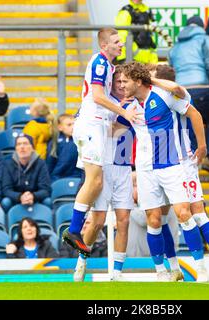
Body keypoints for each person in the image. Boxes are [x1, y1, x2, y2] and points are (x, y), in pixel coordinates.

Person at [115, 62, 209, 282]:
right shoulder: (131, 107)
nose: (121, 85)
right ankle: (162, 271)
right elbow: (115, 131)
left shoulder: (163, 95)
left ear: (138, 81)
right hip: (146, 169)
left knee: (184, 213)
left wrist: (202, 146)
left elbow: (187, 104)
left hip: (171, 162)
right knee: (154, 220)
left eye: (125, 81)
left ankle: (201, 269)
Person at [153, 64, 209, 282]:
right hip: (161, 164)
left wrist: (203, 146)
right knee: (160, 216)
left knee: (196, 212)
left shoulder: (173, 93)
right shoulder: (152, 98)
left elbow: (192, 110)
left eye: (151, 76)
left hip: (182, 162)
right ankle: (177, 267)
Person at [62, 28, 139, 255]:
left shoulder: (109, 66)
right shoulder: (100, 63)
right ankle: (74, 229)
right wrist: (124, 112)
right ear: (104, 45)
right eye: (116, 41)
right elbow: (96, 96)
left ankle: (76, 230)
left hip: (94, 126)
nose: (121, 44)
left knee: (96, 182)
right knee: (94, 181)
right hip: (91, 126)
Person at [73, 65, 135, 282]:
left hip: (124, 165)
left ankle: (117, 272)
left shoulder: (133, 103)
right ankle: (82, 260)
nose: (120, 85)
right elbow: (109, 128)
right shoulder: (101, 103)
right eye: (117, 81)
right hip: (103, 166)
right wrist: (120, 119)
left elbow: (126, 129)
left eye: (124, 81)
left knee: (124, 220)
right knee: (97, 220)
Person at [168, 15, 209, 176]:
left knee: (189, 124)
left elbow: (172, 71)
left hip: (181, 90)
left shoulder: (176, 46)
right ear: (201, 26)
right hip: (202, 86)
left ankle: (191, 163)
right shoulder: (205, 39)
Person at [126, 171, 179, 258]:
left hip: (159, 255)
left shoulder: (160, 200)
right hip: (139, 256)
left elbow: (144, 220)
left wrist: (129, 206)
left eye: (133, 186)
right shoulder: (138, 205)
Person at [1, 134, 51, 212]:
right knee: (5, 202)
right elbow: (6, 190)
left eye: (25, 143)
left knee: (48, 201)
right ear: (16, 149)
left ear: (32, 148)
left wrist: (32, 196)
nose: (22, 147)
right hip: (16, 200)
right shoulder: (8, 164)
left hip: (35, 199)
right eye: (19, 144)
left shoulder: (41, 164)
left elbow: (46, 189)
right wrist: (20, 197)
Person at [115, 0, 158, 64]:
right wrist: (125, 57)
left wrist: (153, 59)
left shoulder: (147, 11)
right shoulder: (125, 12)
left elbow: (149, 36)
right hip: (130, 58)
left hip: (147, 60)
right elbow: (122, 35)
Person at [46, 114, 82, 182]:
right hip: (57, 178)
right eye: (69, 125)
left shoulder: (81, 141)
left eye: (74, 124)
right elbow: (50, 164)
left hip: (78, 177)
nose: (73, 127)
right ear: (60, 127)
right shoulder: (54, 143)